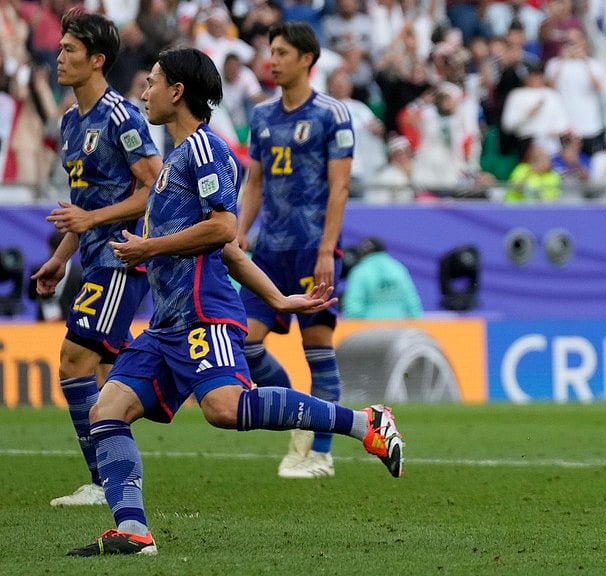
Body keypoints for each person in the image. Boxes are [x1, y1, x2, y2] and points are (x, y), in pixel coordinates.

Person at [67, 47, 403, 557]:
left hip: (204, 309)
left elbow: (224, 227)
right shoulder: (173, 163)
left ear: (178, 92)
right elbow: (231, 248)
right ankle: (133, 529)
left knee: (224, 410)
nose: (144, 91)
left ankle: (365, 423)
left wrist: (147, 246)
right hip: (168, 323)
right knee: (107, 411)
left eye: (153, 82)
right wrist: (277, 298)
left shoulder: (208, 149)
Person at [30, 10, 162, 508]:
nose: (59, 57)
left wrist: (90, 223)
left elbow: (154, 186)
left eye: (69, 50)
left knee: (72, 361)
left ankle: (101, 482)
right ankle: (112, 471)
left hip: (122, 257)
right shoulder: (69, 120)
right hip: (92, 257)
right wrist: (62, 258)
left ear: (97, 59)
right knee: (108, 374)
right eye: (60, 48)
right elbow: (81, 204)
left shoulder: (121, 116)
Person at [236, 22, 353, 479]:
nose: (273, 59)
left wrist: (327, 249)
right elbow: (256, 180)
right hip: (269, 252)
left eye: (282, 52)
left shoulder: (331, 114)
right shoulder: (262, 116)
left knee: (317, 348)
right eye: (271, 51)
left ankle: (320, 454)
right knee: (242, 343)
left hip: (313, 249)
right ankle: (297, 418)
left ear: (307, 59)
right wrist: (240, 231)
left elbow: (339, 187)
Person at [343, 236, 423, 319]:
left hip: (369, 328)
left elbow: (354, 308)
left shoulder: (360, 271)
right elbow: (412, 302)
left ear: (362, 254)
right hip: (399, 327)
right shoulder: (398, 268)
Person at [28, 231, 83, 322]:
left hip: (45, 325)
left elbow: (31, 296)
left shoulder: (38, 269)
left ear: (49, 246)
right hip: (69, 323)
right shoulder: (79, 272)